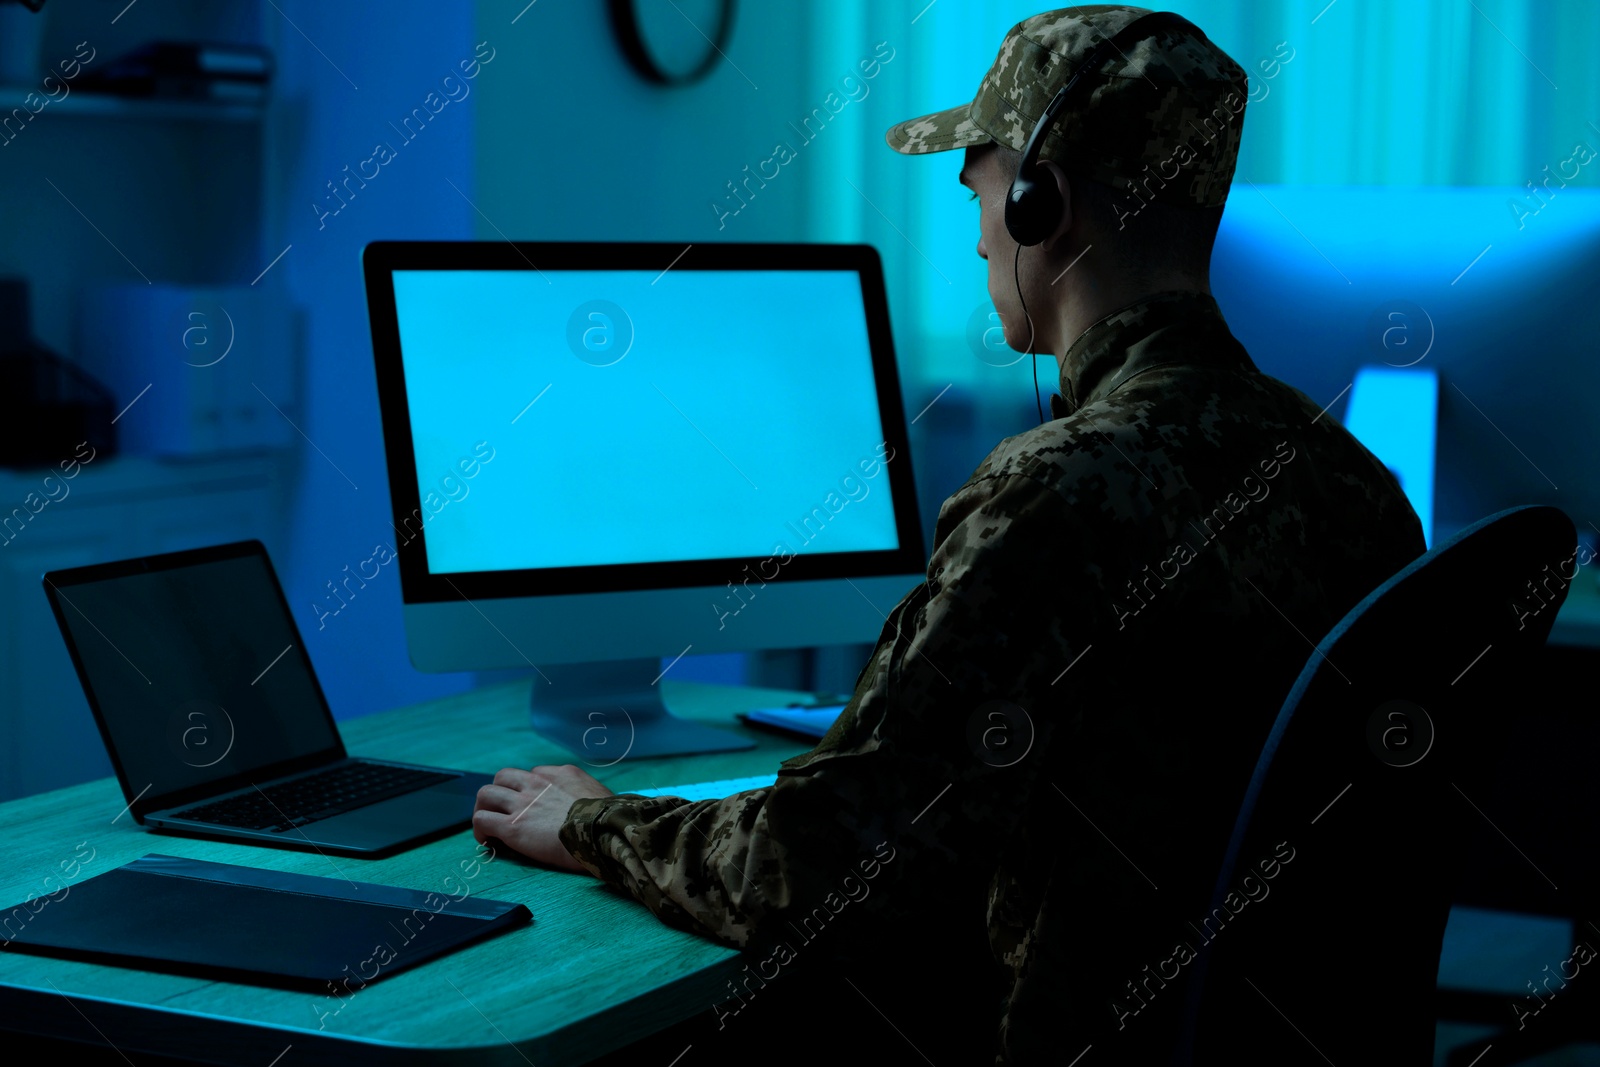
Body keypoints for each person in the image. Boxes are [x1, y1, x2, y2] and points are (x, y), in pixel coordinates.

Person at [471, 7, 1425, 1062]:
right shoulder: (1353, 481)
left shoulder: (1054, 494)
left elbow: (821, 864)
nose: (974, 227)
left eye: (976, 178)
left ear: (1040, 202)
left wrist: (596, 824)